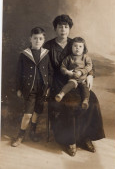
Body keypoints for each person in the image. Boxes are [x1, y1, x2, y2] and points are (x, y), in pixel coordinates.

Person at [44, 14, 105, 156]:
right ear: (55, 29)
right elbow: (44, 68)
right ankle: (70, 140)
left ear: (69, 29)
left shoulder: (75, 43)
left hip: (78, 81)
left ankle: (85, 136)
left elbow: (88, 63)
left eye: (66, 27)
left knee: (93, 100)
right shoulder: (49, 46)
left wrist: (90, 75)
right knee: (70, 104)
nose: (63, 30)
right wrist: (47, 85)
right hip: (58, 83)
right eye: (60, 27)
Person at [11, 27, 53, 147]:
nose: (37, 41)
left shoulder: (46, 54)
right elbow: (18, 73)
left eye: (40, 38)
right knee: (28, 114)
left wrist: (49, 86)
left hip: (42, 89)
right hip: (30, 89)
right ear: (30, 39)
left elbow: (50, 72)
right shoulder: (25, 54)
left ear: (44, 40)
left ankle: (32, 132)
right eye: (35, 38)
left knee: (37, 112)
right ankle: (20, 134)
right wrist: (18, 88)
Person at [55, 37, 92, 110]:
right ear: (71, 47)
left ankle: (85, 100)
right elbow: (62, 67)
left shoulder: (85, 57)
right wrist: (68, 72)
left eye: (80, 46)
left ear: (84, 48)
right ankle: (61, 94)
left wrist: (81, 72)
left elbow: (89, 66)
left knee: (85, 88)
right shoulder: (68, 58)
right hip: (73, 78)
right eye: (75, 46)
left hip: (83, 79)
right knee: (69, 85)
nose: (77, 48)